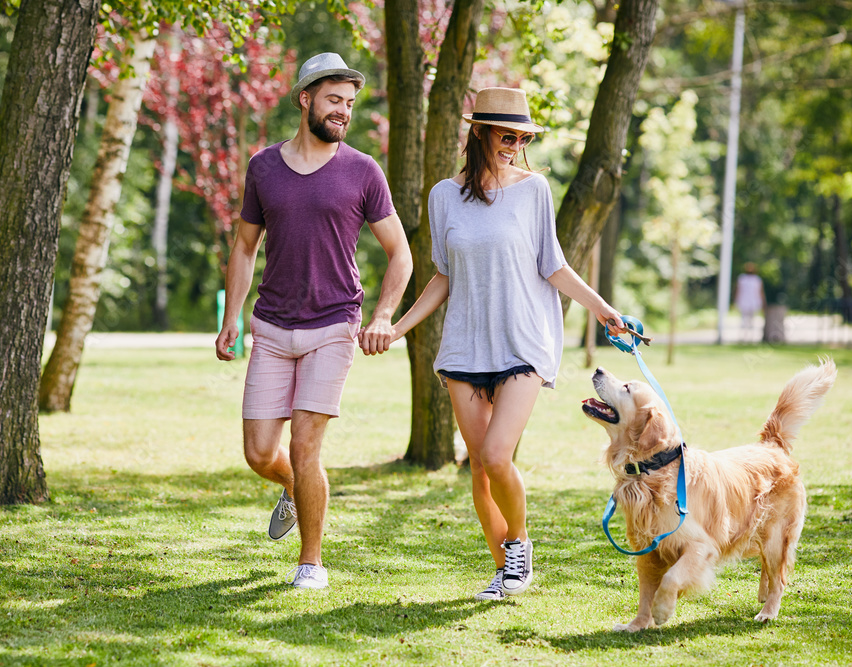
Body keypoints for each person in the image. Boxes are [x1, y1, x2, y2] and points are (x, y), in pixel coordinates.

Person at [388, 87, 626, 600]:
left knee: (497, 454)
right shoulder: (442, 196)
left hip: (523, 344)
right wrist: (396, 327)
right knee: (479, 467)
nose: (514, 144)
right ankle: (507, 568)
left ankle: (519, 548)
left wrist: (603, 309)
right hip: (463, 349)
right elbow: (441, 277)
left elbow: (553, 265)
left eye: (522, 137)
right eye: (505, 134)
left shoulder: (533, 190)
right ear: (479, 131)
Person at [215, 53, 412, 590]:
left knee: (306, 447)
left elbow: (402, 254)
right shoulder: (264, 168)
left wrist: (384, 314)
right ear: (305, 99)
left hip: (334, 322)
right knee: (260, 453)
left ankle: (311, 563)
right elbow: (244, 245)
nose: (343, 111)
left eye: (349, 103)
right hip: (272, 326)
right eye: (333, 100)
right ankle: (294, 489)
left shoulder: (362, 170)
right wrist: (231, 317)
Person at [733, 262, 765, 342]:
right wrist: (736, 300)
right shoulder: (742, 278)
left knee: (752, 320)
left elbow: (760, 292)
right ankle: (743, 337)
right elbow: (738, 290)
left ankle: (751, 337)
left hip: (754, 302)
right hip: (744, 302)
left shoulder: (757, 279)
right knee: (743, 320)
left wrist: (763, 302)